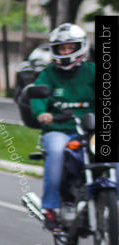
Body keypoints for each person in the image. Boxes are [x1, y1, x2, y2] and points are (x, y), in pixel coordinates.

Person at [30, 23, 94, 231]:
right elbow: (37, 96)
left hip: (92, 130)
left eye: (70, 47)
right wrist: (42, 113)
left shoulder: (94, 72)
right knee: (56, 152)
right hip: (59, 129)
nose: (66, 51)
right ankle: (50, 208)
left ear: (81, 47)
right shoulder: (49, 74)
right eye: (61, 48)